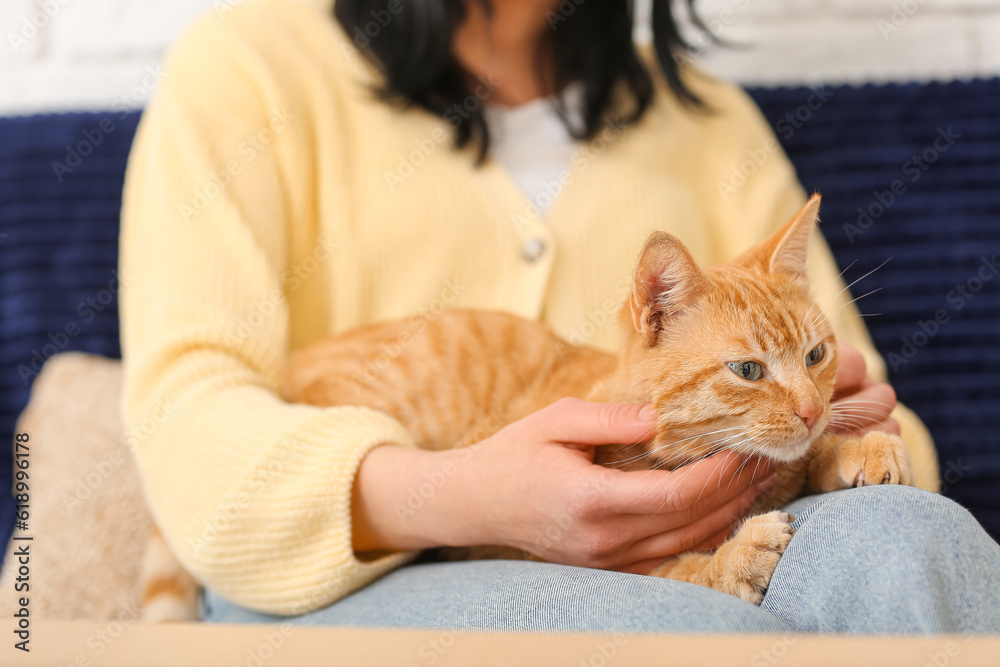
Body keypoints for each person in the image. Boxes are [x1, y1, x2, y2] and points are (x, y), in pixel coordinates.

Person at [119, 0, 1000, 633]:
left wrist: (842, 444)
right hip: (338, 563)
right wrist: (463, 498)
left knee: (912, 537)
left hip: (731, 504)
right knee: (687, 631)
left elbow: (869, 406)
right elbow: (184, 415)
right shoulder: (245, 66)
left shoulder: (711, 121)